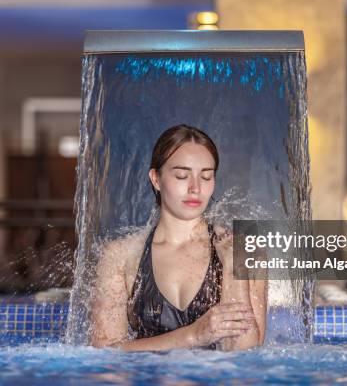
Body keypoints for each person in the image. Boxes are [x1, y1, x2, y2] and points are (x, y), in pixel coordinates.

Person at [91, 124, 267, 351]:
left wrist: (234, 268)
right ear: (156, 179)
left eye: (206, 177)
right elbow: (104, 353)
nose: (195, 188)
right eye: (182, 176)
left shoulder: (245, 249)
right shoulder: (121, 256)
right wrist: (193, 336)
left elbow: (247, 356)